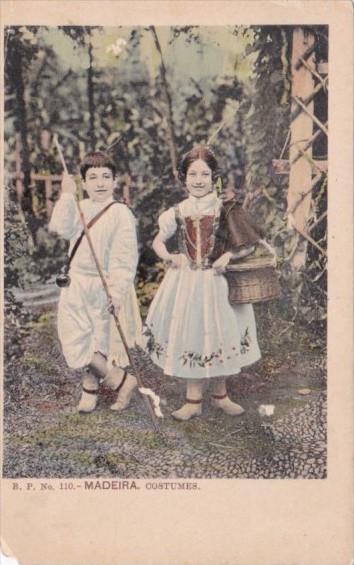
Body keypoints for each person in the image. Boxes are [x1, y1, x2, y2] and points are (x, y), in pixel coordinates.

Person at [145, 145, 262, 421]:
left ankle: (221, 395)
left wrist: (229, 256)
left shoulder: (226, 209)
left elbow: (249, 245)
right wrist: (170, 256)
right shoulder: (177, 211)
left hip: (218, 283)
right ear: (183, 178)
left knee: (221, 332)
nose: (198, 180)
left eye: (204, 174)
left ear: (214, 177)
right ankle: (192, 399)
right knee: (192, 332)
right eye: (193, 174)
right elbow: (157, 242)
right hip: (187, 284)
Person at [49, 151, 141, 413]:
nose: (99, 183)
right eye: (92, 178)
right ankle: (122, 381)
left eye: (105, 177)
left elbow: (125, 258)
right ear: (84, 183)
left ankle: (90, 391)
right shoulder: (80, 207)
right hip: (76, 283)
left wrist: (116, 292)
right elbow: (59, 228)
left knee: (99, 340)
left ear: (114, 181)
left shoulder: (120, 213)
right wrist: (67, 194)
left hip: (105, 284)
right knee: (74, 338)